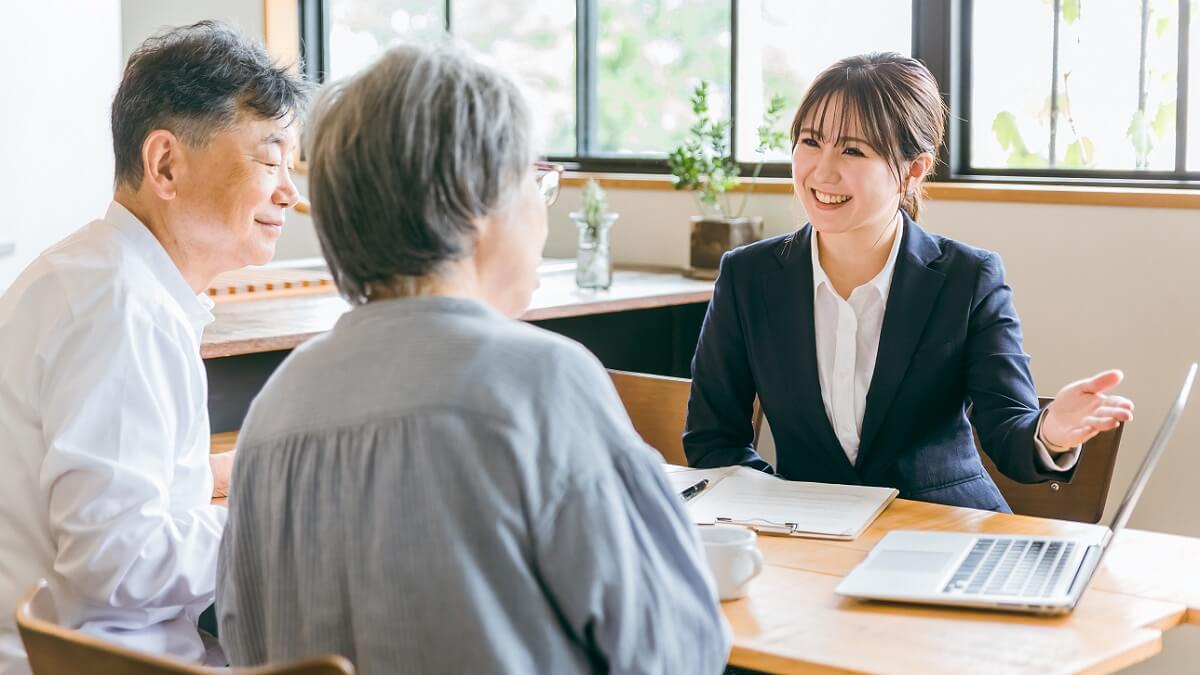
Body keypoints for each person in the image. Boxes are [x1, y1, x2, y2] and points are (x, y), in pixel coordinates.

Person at [216, 43, 729, 674]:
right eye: (535, 182)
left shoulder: (278, 407)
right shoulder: (542, 383)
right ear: (474, 200)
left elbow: (244, 642)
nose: (542, 211)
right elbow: (678, 649)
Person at [684, 52, 1133, 512]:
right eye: (811, 141)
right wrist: (785, 505)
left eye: (853, 150)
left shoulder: (969, 278)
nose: (822, 170)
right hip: (810, 540)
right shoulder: (748, 276)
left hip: (943, 533)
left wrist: (1050, 432)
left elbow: (1007, 432)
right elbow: (713, 440)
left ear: (914, 169)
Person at [0, 21, 308, 672]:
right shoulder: (121, 309)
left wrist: (220, 477)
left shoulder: (95, 275)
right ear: (165, 163)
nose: (290, 191)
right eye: (270, 159)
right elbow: (116, 562)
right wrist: (271, 515)